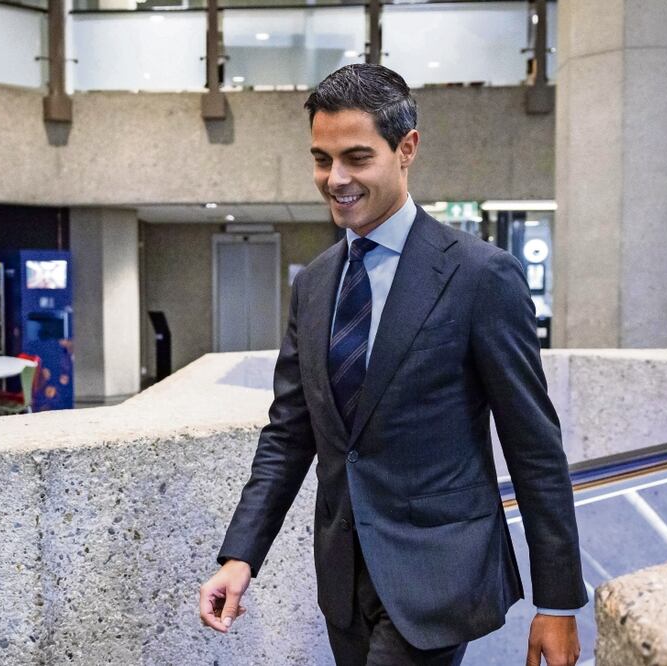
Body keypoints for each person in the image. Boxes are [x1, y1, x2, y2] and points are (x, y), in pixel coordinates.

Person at [199, 63, 586, 666]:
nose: (336, 179)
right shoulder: (316, 283)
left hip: (437, 577)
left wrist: (558, 603)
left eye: (357, 157)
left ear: (406, 149)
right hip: (344, 578)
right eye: (322, 160)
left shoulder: (479, 276)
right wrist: (240, 555)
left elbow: (534, 445)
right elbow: (289, 432)